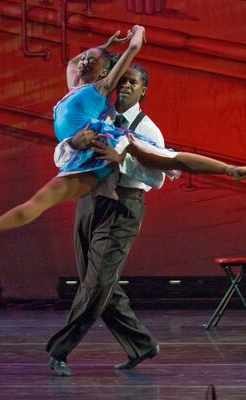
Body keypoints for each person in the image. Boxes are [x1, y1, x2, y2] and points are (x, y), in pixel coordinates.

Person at [0, 26, 246, 250]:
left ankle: (230, 170)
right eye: (85, 57)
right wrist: (104, 46)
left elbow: (135, 47)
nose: (85, 61)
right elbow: (74, 63)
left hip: (108, 145)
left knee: (165, 157)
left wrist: (135, 33)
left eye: (94, 61)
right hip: (82, 158)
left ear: (105, 75)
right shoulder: (72, 88)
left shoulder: (99, 89)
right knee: (38, 202)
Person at [44, 63, 166, 377]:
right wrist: (73, 144)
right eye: (122, 80)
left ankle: (60, 351)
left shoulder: (148, 130)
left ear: (143, 91)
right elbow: (62, 156)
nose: (125, 86)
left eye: (133, 82)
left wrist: (122, 161)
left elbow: (158, 178)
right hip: (89, 202)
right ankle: (141, 345)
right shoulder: (98, 117)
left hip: (122, 207)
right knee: (99, 284)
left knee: (96, 284)